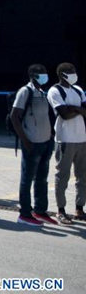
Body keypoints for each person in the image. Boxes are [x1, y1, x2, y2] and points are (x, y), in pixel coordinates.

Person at [10, 64, 56, 226]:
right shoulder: (25, 91)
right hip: (32, 143)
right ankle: (25, 214)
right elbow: (14, 116)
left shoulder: (42, 92)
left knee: (42, 179)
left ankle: (40, 210)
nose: (45, 75)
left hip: (45, 142)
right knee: (27, 179)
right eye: (41, 73)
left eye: (45, 72)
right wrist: (25, 140)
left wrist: (50, 135)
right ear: (33, 75)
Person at [47, 63, 86, 225]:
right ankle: (61, 210)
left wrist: (73, 109)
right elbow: (63, 115)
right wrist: (78, 110)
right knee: (62, 176)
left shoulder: (77, 90)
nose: (74, 74)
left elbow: (83, 111)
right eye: (71, 72)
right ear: (63, 74)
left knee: (82, 176)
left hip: (82, 138)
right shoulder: (55, 90)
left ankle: (79, 208)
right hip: (65, 139)